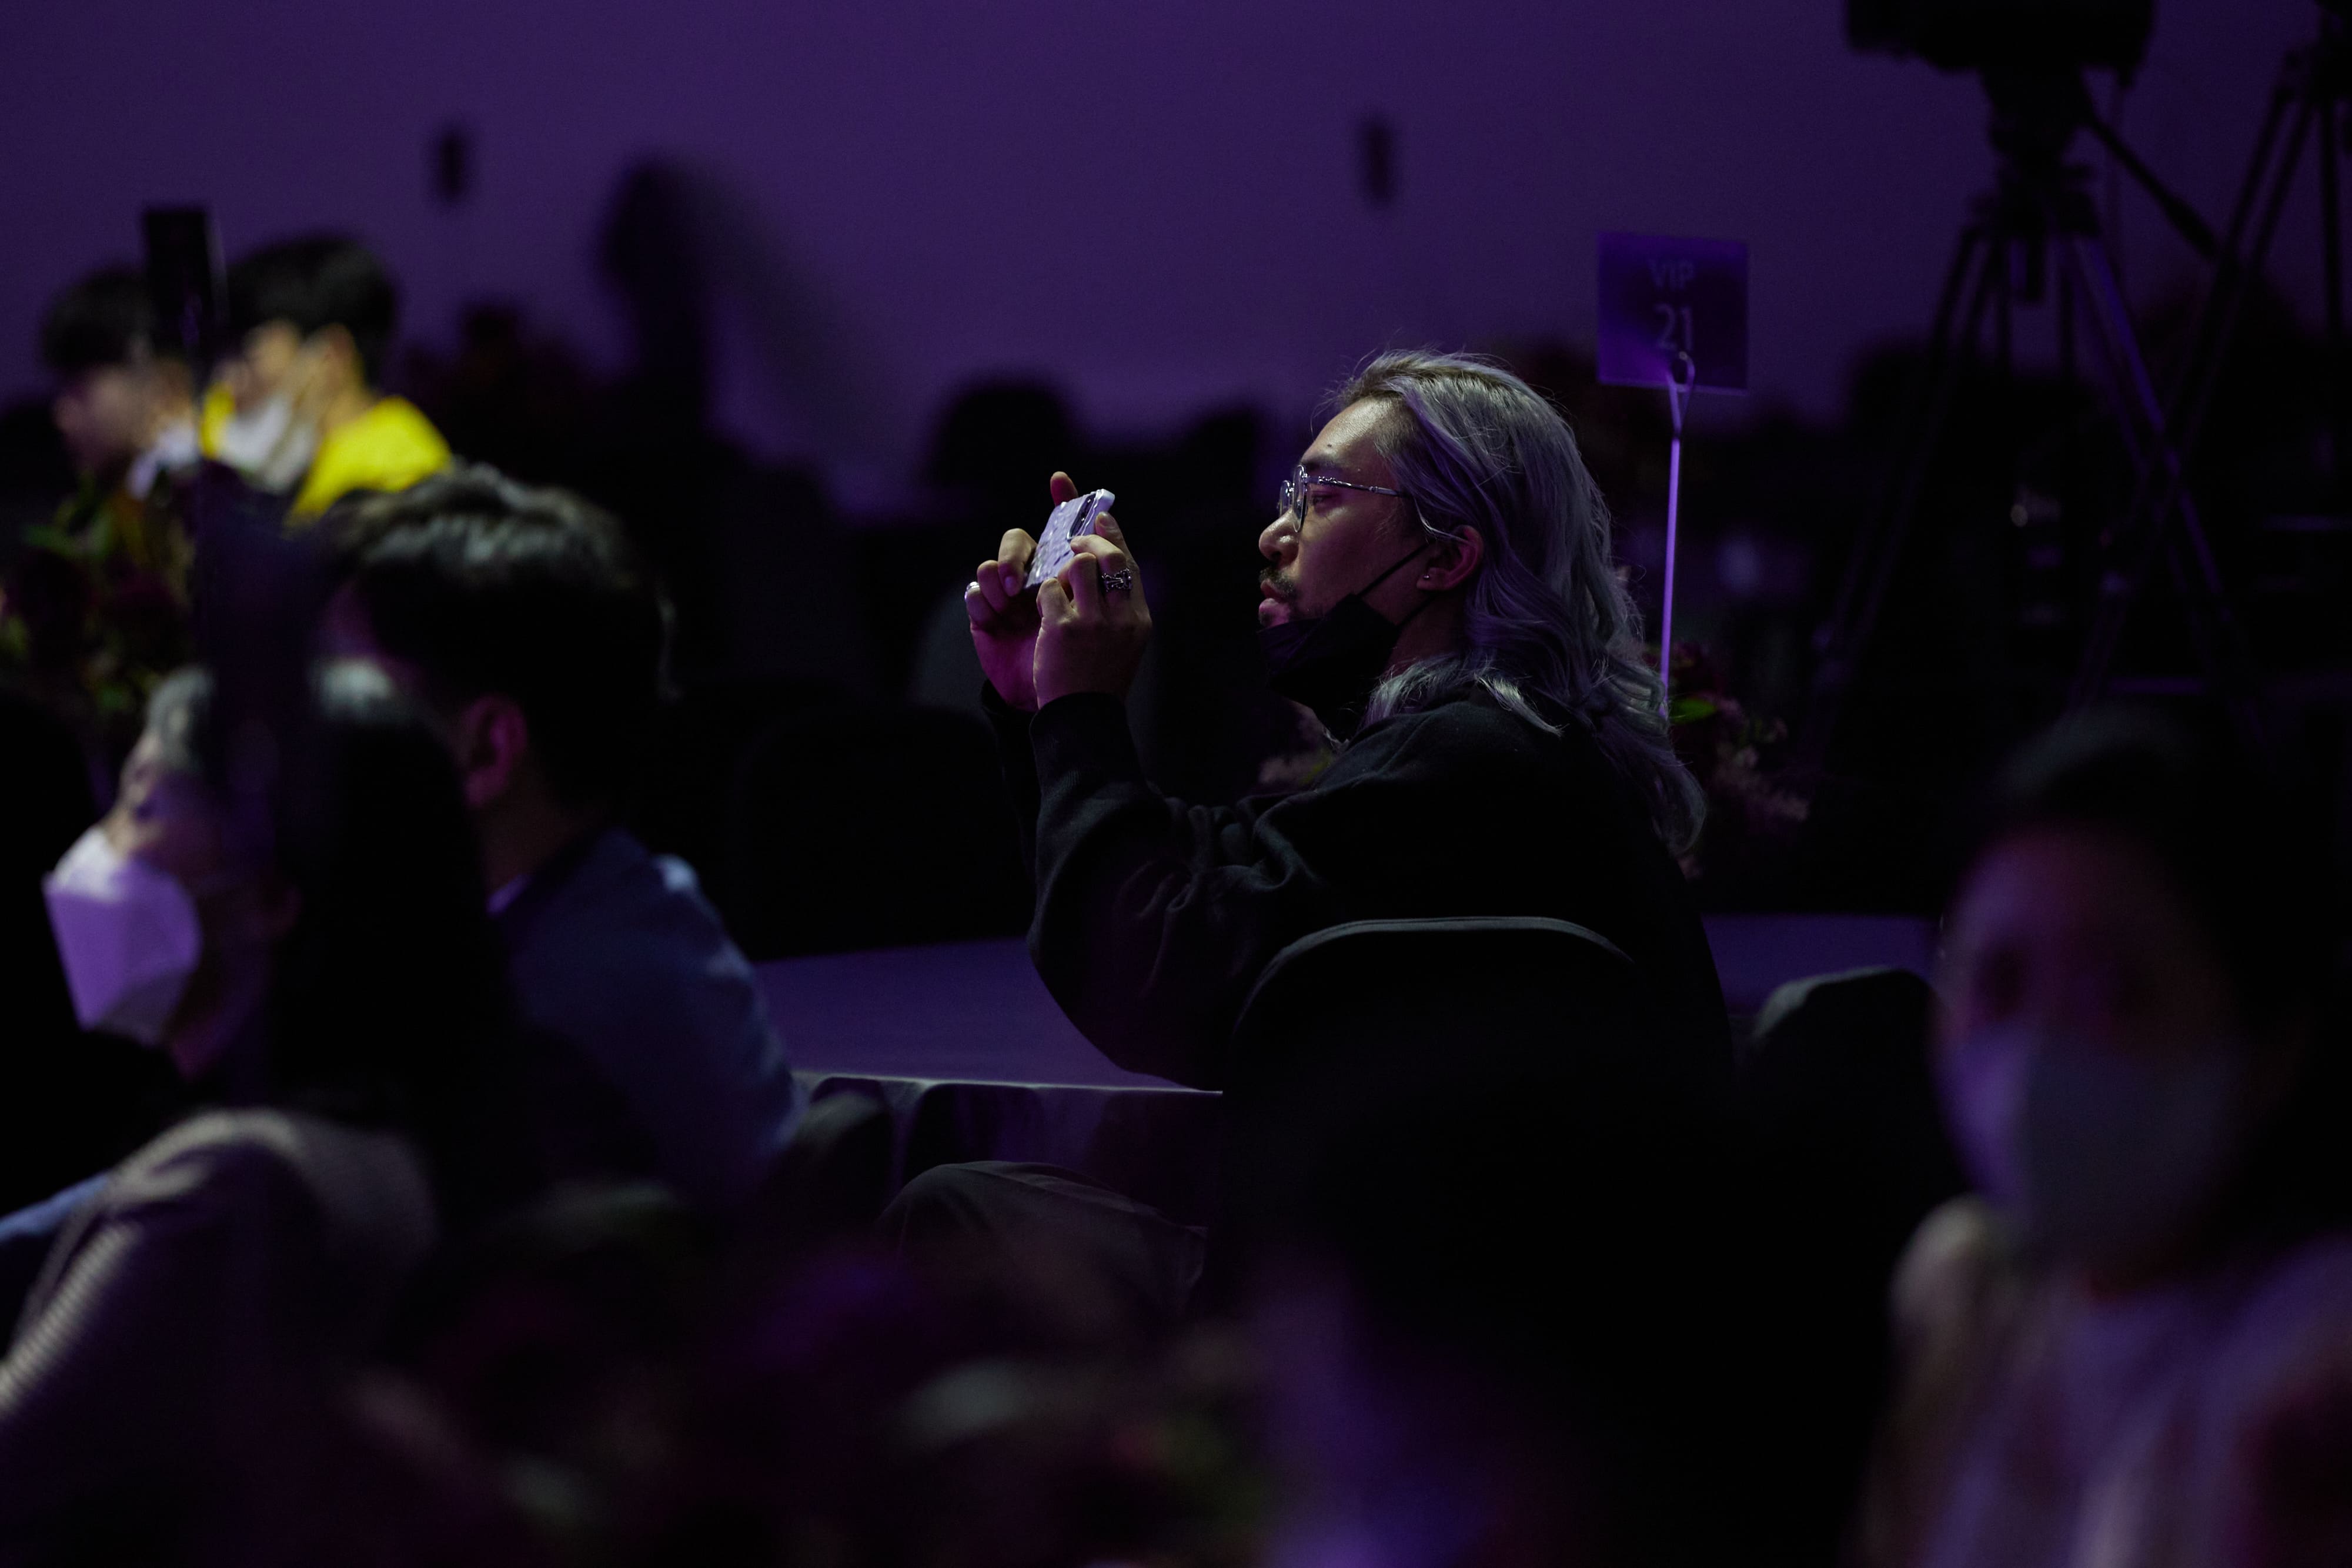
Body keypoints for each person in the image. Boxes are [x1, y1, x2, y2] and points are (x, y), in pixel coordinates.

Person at [960, 350, 1726, 1086]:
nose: (1272, 535)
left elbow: (1153, 971)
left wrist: (1082, 708)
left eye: (1320, 497)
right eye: (1288, 497)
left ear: (1445, 558)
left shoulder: (1476, 759)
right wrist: (1042, 706)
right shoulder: (1502, 744)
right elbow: (1214, 861)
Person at [0, 664, 536, 1563]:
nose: (97, 848)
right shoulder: (372, 1138)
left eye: (142, 805)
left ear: (271, 895)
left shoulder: (237, 1184)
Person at [1860, 711, 2352, 1568]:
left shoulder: (2309, 1362)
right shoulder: (1966, 1298)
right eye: (1999, 983)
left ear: (2271, 1043)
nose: (2038, 1052)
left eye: (2111, 991)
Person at [322, 466, 803, 1211]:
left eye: (345, 694)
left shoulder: (536, 1042)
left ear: (487, 750)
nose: (307, 741)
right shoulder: (650, 900)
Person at [2, 266, 198, 761]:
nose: (62, 413)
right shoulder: (101, 504)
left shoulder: (194, 501)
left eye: (81, 386)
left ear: (159, 380)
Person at [199, 235, 449, 521]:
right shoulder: (289, 449)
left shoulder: (400, 478)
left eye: (248, 353)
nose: (227, 379)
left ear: (331, 358)